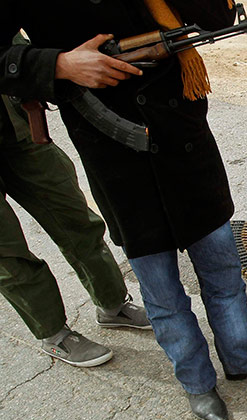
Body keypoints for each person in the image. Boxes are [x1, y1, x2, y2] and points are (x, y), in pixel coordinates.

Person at [0, 1, 247, 420]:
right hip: (113, 155)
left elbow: (216, 17)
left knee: (222, 270)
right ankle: (197, 383)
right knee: (162, 292)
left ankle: (245, 357)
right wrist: (60, 64)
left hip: (183, 133)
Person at [0, 93, 149, 368]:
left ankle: (112, 304)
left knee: (76, 219)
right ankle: (53, 334)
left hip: (14, 124)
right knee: (8, 253)